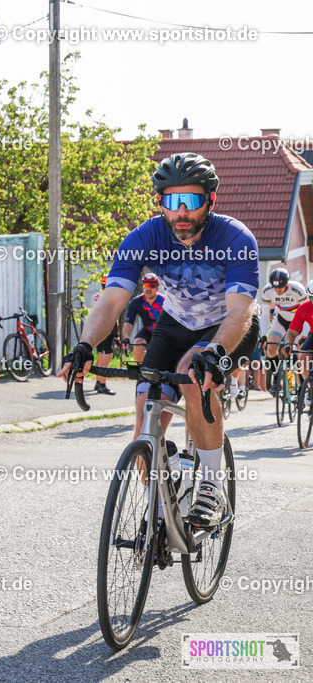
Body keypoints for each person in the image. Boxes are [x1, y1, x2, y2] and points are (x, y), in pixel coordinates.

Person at [60, 152, 259, 529]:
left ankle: (212, 487)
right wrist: (85, 344)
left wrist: (214, 352)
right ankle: (159, 508)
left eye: (192, 201)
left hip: (227, 327)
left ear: (210, 201)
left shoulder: (235, 237)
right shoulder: (145, 236)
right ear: (160, 203)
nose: (181, 211)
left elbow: (239, 311)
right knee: (146, 414)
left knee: (193, 374)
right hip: (176, 321)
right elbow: (112, 299)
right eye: (172, 201)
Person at [261, 267, 306, 393]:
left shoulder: (297, 289)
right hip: (280, 319)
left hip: (298, 321)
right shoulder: (267, 291)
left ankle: (302, 386)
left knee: (297, 351)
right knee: (271, 347)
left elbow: (308, 313)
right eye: (275, 288)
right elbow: (264, 315)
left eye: (280, 287)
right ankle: (276, 381)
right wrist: (264, 335)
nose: (277, 290)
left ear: (286, 283)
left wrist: (303, 337)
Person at [120, 273, 165, 364]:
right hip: (148, 330)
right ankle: (142, 372)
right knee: (138, 342)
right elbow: (128, 322)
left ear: (157, 288)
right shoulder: (136, 301)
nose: (149, 288)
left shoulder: (165, 301)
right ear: (143, 287)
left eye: (152, 286)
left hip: (163, 331)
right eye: (146, 285)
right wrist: (126, 338)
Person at [91, 275, 118, 395]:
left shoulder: (95, 297)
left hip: (96, 330)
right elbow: (114, 317)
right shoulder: (111, 297)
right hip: (107, 330)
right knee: (106, 359)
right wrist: (116, 336)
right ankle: (102, 384)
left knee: (100, 357)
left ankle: (98, 382)